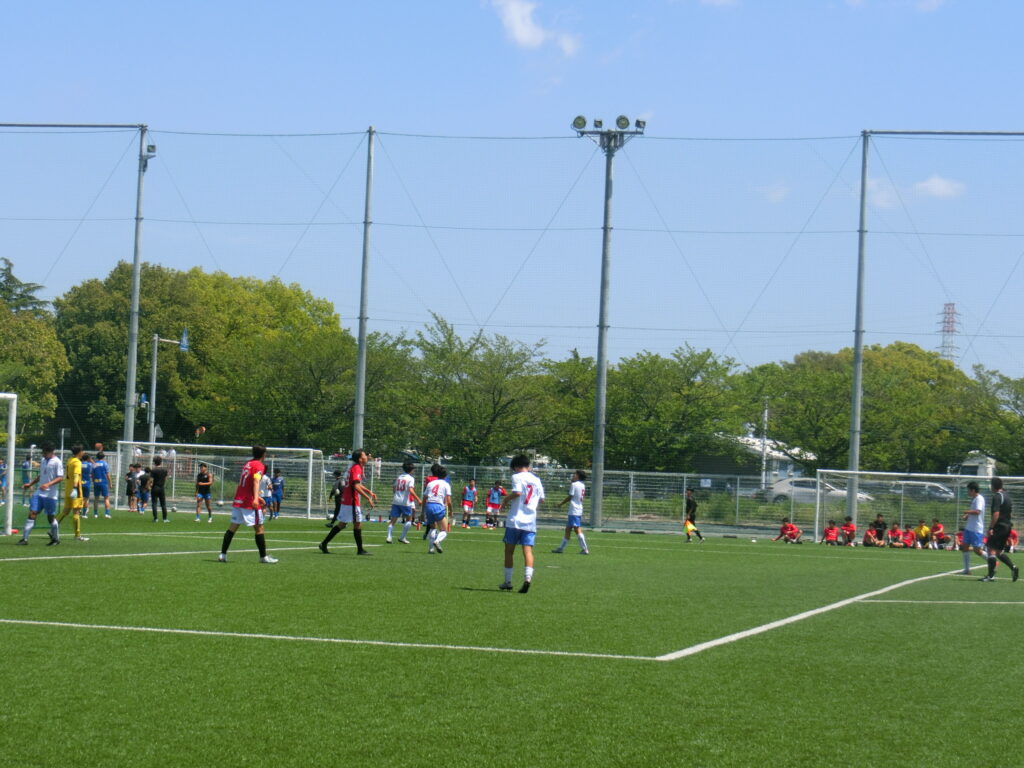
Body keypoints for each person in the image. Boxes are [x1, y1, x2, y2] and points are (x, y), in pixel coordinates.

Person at [218, 445, 277, 564]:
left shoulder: (248, 464)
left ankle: (222, 555)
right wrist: (255, 499)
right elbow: (256, 481)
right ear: (263, 455)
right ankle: (263, 557)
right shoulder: (259, 465)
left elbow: (247, 483)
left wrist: (257, 497)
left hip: (239, 500)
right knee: (259, 528)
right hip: (248, 502)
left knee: (232, 528)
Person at [499, 455, 544, 593]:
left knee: (509, 551)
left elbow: (517, 492)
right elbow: (541, 499)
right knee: (528, 551)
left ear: (516, 467)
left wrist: (506, 499)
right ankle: (527, 579)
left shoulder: (517, 477)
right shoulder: (536, 479)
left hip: (515, 520)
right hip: (530, 521)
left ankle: (507, 581)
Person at [320, 449, 376, 556]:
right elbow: (355, 486)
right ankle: (360, 550)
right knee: (357, 523)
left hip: (348, 500)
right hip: (352, 501)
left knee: (343, 524)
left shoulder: (355, 467)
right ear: (360, 459)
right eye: (365, 455)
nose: (367, 457)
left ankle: (324, 543)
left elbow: (356, 484)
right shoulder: (357, 468)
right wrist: (368, 498)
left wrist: (368, 491)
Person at [17, 442, 63, 545]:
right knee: (32, 513)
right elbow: (41, 475)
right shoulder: (43, 460)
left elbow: (60, 477)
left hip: (50, 495)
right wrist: (30, 484)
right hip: (39, 493)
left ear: (51, 452)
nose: (43, 454)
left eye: (45, 452)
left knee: (50, 518)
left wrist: (48, 484)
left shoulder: (57, 462)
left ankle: (55, 539)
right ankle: (24, 539)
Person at [981, 476, 1019, 583]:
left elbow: (996, 513)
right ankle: (1013, 567)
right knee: (998, 552)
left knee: (990, 549)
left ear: (993, 486)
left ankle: (990, 576)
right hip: (1007, 526)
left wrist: (991, 527)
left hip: (999, 526)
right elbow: (1010, 513)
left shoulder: (997, 496)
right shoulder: (1007, 496)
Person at [55, 444, 88, 542]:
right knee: (76, 511)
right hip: (75, 490)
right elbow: (76, 475)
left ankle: (52, 529)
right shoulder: (77, 462)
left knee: (65, 511)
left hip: (67, 489)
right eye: (82, 451)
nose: (83, 452)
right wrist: (75, 488)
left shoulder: (70, 460)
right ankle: (77, 535)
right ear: (79, 452)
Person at [553, 470, 589, 554]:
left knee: (577, 529)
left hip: (574, 509)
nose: (573, 476)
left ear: (578, 476)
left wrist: (561, 503)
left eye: (575, 475)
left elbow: (570, 496)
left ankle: (585, 549)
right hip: (578, 508)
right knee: (568, 529)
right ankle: (561, 548)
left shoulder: (574, 484)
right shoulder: (582, 485)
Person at [387, 461, 420, 545]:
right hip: (405, 502)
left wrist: (396, 495)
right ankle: (402, 537)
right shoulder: (411, 478)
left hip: (396, 501)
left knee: (393, 520)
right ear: (411, 470)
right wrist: (418, 499)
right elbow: (411, 489)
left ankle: (389, 537)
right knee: (409, 519)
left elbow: (394, 487)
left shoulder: (399, 477)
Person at [960, 481, 987, 575]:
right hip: (969, 527)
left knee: (977, 550)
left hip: (976, 528)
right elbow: (974, 511)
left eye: (968, 490)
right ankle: (967, 570)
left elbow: (977, 512)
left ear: (973, 490)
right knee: (964, 547)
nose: (967, 492)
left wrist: (967, 512)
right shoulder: (974, 499)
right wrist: (967, 516)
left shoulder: (979, 499)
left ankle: (992, 560)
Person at [424, 466, 453, 553]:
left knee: (432, 528)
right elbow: (449, 501)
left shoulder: (430, 483)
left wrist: (422, 512)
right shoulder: (446, 484)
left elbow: (424, 498)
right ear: (445, 475)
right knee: (444, 530)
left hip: (429, 505)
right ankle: (437, 541)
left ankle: (431, 549)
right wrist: (451, 511)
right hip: (438, 506)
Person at [90, 451, 111, 518]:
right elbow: (107, 474)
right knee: (106, 498)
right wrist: (110, 482)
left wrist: (93, 481)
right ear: (103, 457)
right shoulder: (105, 464)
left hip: (96, 483)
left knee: (96, 498)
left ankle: (95, 514)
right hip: (104, 482)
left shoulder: (94, 464)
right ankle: (107, 514)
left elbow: (92, 475)